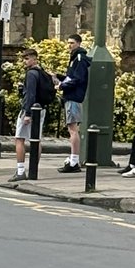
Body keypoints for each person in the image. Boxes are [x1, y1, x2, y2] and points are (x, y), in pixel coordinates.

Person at [56, 33, 90, 174]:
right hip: (71, 96)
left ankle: (74, 161)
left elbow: (77, 79)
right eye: (68, 43)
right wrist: (59, 77)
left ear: (78, 43)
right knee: (72, 129)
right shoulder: (75, 58)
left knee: (73, 130)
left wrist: (62, 86)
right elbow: (71, 77)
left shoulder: (79, 58)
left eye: (72, 43)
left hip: (74, 97)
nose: (69, 46)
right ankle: (73, 159)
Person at [9, 48, 42, 182]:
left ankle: (21, 170)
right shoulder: (42, 72)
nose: (25, 61)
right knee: (36, 139)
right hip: (40, 109)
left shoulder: (31, 74)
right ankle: (33, 169)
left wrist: (27, 113)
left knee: (19, 139)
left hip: (30, 110)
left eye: (27, 58)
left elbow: (31, 94)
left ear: (34, 59)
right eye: (24, 58)